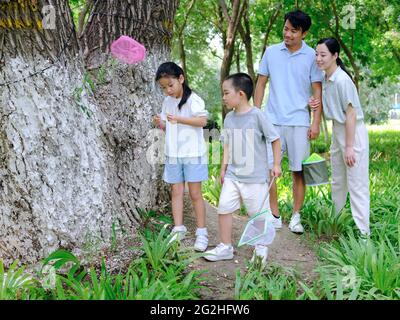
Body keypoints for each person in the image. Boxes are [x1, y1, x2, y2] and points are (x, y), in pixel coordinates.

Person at [254, 10, 323, 234]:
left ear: (304, 33)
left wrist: (315, 123)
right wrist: (256, 114)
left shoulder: (312, 56)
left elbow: (317, 90)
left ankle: (296, 216)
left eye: (294, 31)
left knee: (298, 171)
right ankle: (274, 215)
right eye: (286, 29)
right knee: (269, 169)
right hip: (272, 120)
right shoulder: (271, 52)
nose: (288, 34)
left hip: (299, 121)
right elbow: (261, 83)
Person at [204, 73, 281, 264]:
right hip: (233, 175)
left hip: (254, 178)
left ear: (240, 94)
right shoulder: (229, 118)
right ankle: (225, 247)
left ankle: (260, 249)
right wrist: (223, 168)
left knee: (258, 214)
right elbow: (228, 145)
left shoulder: (257, 116)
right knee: (223, 209)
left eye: (226, 93)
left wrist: (276, 164)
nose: (223, 97)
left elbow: (275, 138)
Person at [314, 38, 370, 238]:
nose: (318, 59)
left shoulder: (342, 80)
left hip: (352, 134)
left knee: (357, 184)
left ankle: (364, 236)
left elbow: (351, 114)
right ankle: (336, 225)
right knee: (338, 181)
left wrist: (349, 147)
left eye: (323, 55)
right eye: (317, 54)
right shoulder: (325, 79)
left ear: (335, 56)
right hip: (338, 132)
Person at [153, 62, 209, 251]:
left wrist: (179, 119)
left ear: (181, 79)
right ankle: (178, 228)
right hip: (173, 153)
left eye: (170, 85)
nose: (167, 90)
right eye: (163, 87)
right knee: (176, 192)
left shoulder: (194, 100)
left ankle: (202, 232)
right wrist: (160, 123)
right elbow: (168, 125)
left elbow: (202, 121)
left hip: (193, 154)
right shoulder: (167, 102)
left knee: (194, 194)